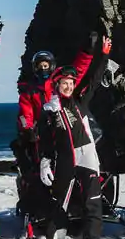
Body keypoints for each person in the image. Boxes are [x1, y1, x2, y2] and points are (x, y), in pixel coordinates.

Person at [35, 36, 113, 239]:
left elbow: (95, 79)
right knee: (60, 202)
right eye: (64, 83)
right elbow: (46, 140)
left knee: (92, 200)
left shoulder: (80, 99)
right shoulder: (49, 110)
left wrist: (104, 55)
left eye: (71, 83)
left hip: (87, 154)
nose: (68, 86)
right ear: (57, 84)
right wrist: (45, 161)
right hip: (65, 157)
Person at [16, 42, 95, 185]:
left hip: (66, 127)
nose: (43, 69)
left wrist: (87, 52)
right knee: (39, 162)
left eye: (45, 66)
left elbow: (79, 69)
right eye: (40, 66)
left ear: (51, 66)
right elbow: (25, 113)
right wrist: (27, 129)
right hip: (43, 132)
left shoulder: (59, 82)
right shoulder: (30, 91)